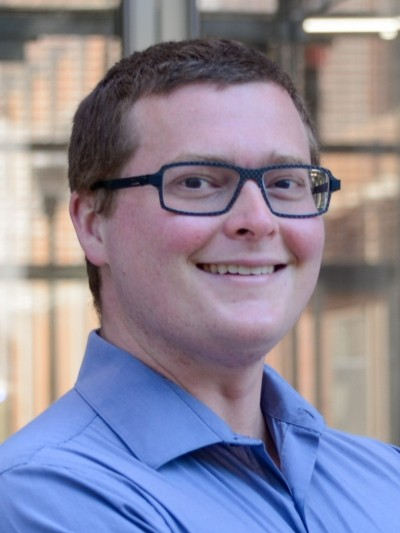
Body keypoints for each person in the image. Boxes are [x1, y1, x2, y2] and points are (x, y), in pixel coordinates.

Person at [0, 38, 398, 532]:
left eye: (285, 183)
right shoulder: (44, 498)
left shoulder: (385, 475)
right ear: (92, 224)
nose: (259, 220)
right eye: (196, 182)